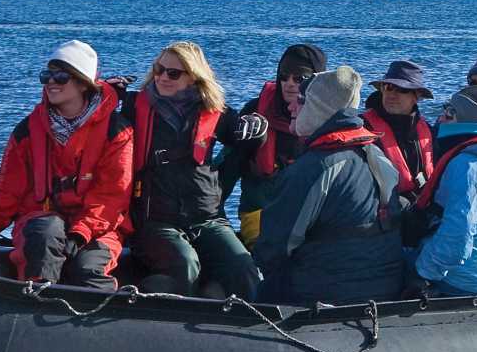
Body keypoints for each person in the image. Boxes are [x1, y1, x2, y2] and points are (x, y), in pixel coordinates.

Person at [0, 40, 131, 282]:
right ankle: (35, 302)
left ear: (82, 83)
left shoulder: (116, 132)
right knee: (43, 235)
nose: (50, 82)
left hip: (98, 227)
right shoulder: (27, 130)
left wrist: (80, 234)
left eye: (60, 77)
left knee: (88, 268)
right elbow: (6, 193)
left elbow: (112, 197)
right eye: (46, 75)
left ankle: (94, 313)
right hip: (40, 220)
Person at [116, 42, 266, 296]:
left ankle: (251, 328)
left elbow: (245, 140)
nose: (162, 77)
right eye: (159, 69)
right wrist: (102, 94)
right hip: (155, 222)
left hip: (207, 220)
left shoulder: (216, 112)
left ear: (193, 77)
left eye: (173, 73)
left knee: (243, 267)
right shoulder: (133, 106)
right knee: (185, 264)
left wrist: (257, 127)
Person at [253, 65, 405, 304]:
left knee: (261, 286)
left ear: (318, 109)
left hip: (328, 291)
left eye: (301, 101)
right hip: (385, 284)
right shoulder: (377, 155)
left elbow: (275, 248)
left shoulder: (314, 168)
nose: (291, 105)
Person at [408, 84, 477, 297]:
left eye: (450, 112)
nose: (441, 118)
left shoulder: (468, 166)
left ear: (469, 119)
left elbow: (458, 237)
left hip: (467, 279)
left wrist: (421, 273)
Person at [234, 43, 327, 245]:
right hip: (260, 212)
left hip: (308, 215)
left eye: (299, 78)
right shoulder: (254, 112)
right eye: (284, 76)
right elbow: (228, 165)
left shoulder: (326, 120)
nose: (289, 83)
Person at [363, 59, 435, 196]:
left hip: (421, 209)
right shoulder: (363, 130)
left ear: (417, 96)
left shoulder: (429, 132)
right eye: (388, 87)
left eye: (402, 90)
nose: (392, 94)